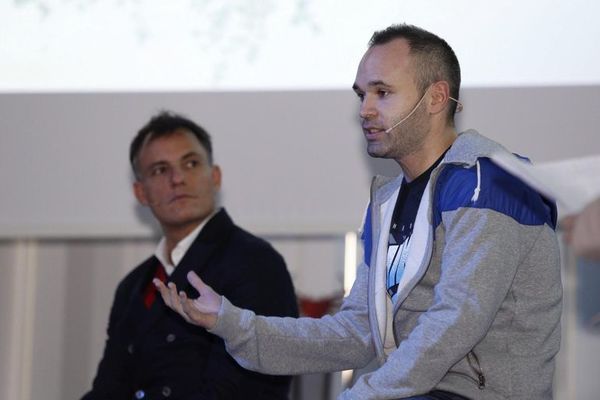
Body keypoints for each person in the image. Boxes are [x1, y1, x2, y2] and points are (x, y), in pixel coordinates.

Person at [156, 25, 562, 400]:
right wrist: (231, 322)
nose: (364, 110)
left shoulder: (489, 180)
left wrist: (361, 396)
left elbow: (455, 320)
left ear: (436, 98)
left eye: (382, 93)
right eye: (361, 95)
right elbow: (356, 331)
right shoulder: (387, 201)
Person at [81, 111, 298, 400]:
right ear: (141, 192)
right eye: (160, 170)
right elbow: (109, 389)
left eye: (191, 163)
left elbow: (242, 389)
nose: (178, 178)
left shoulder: (255, 263)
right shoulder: (133, 287)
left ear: (215, 176)